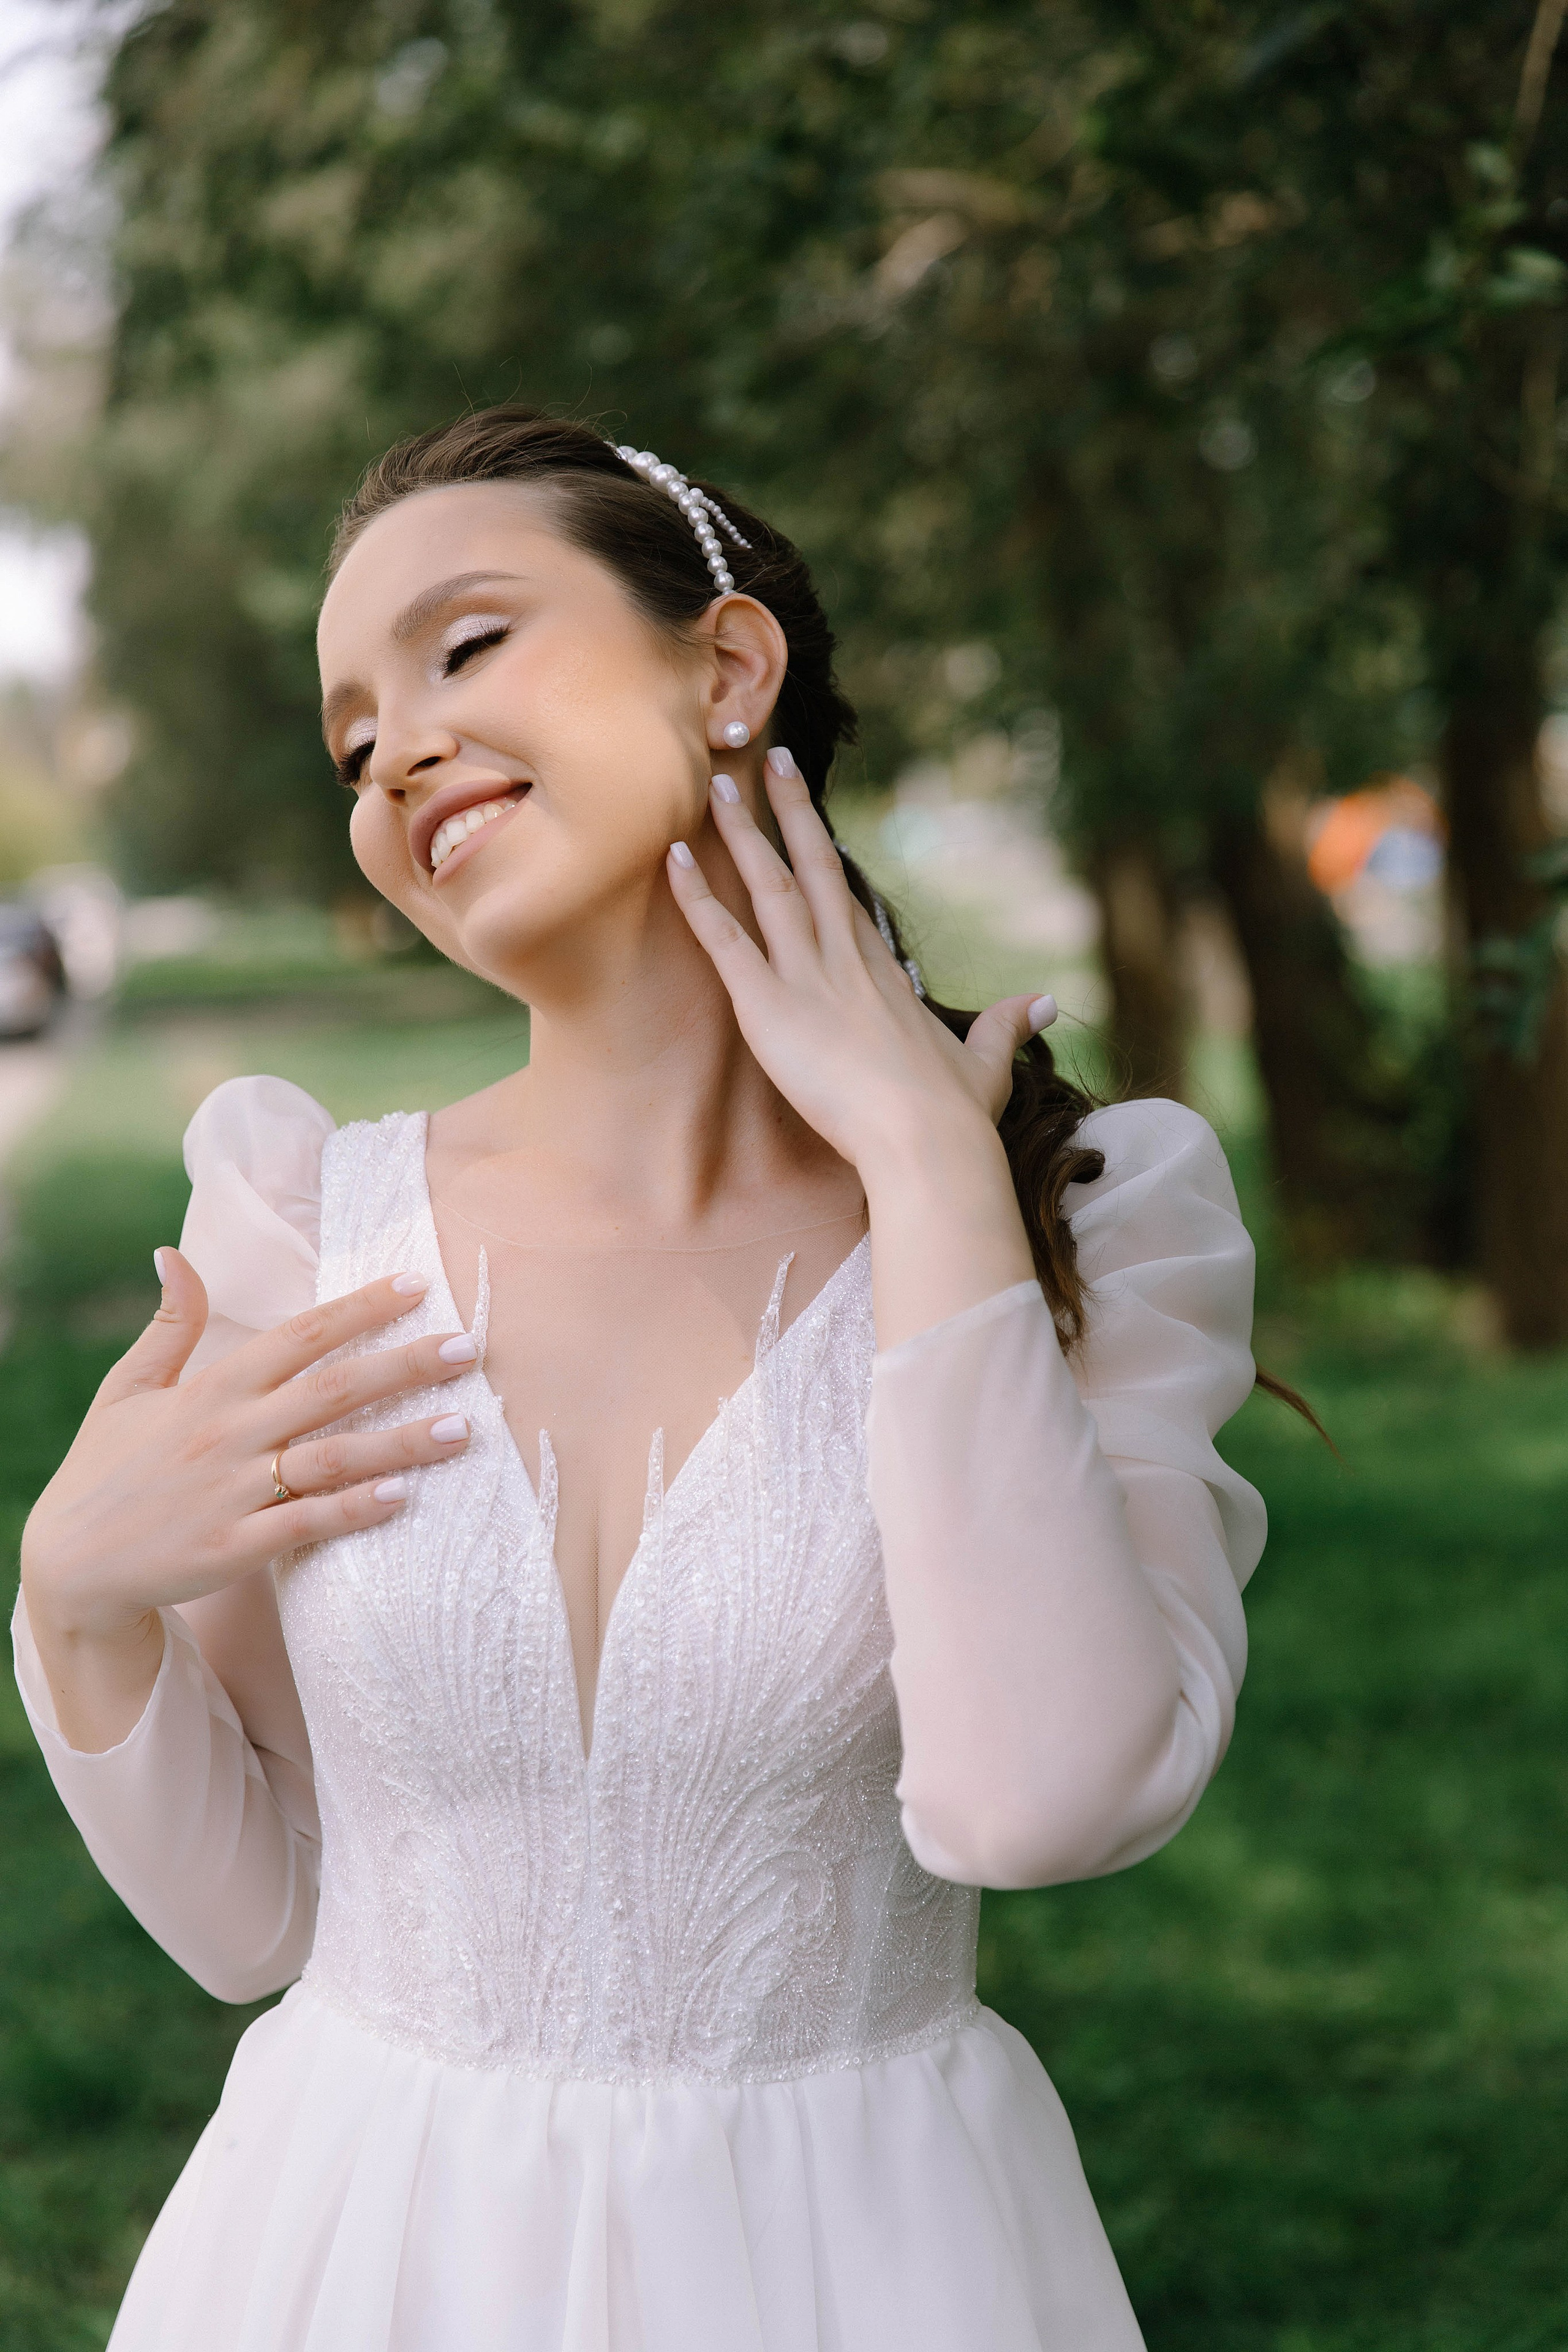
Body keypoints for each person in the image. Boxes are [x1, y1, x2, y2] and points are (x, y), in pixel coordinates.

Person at [13, 408, 1265, 2351]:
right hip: (355, 2252)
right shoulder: (299, 1226)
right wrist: (78, 1607)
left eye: (468, 644)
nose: (398, 749)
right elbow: (254, 1923)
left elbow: (1039, 1803)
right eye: (353, 737)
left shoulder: (1099, 1222)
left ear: (730, 667)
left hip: (869, 2267)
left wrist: (930, 1176)